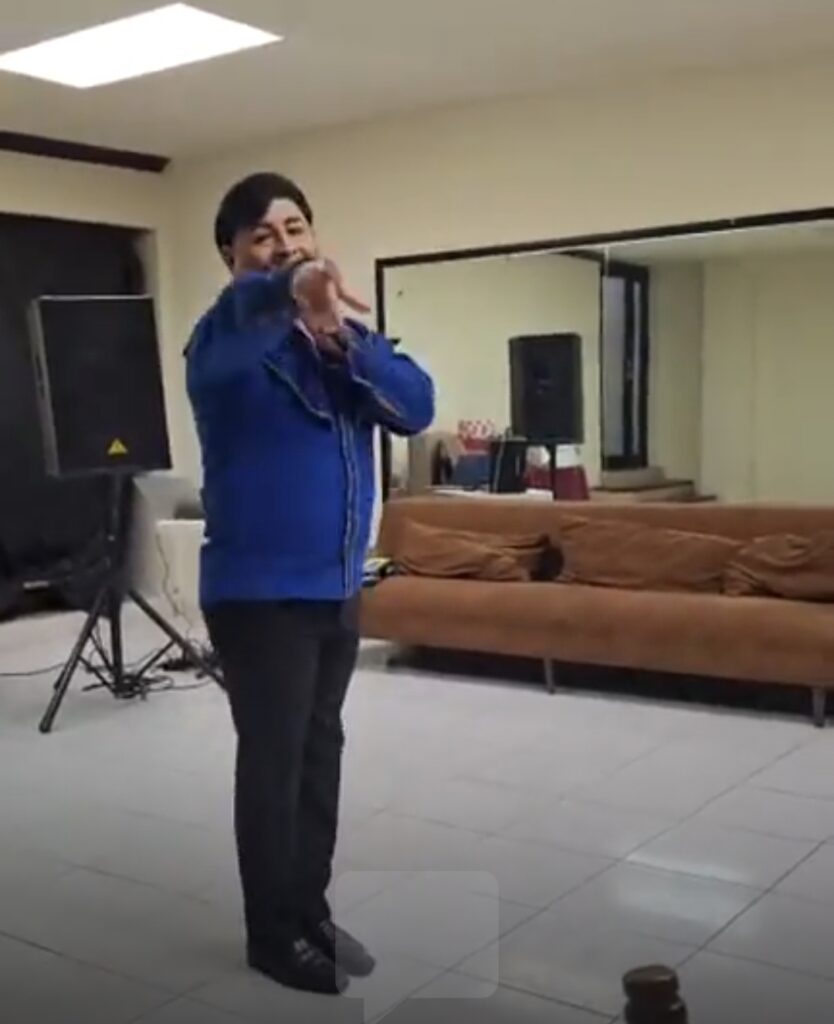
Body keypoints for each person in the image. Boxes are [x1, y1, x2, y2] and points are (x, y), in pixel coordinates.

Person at [185, 172, 435, 996]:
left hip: (335, 585)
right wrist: (287, 292)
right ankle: (271, 933)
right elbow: (246, 317)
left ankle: (309, 911)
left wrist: (339, 338)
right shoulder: (221, 341)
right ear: (231, 255)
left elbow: (416, 405)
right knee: (274, 764)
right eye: (262, 234)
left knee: (320, 755)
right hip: (259, 595)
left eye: (296, 227)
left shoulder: (337, 337)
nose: (285, 243)